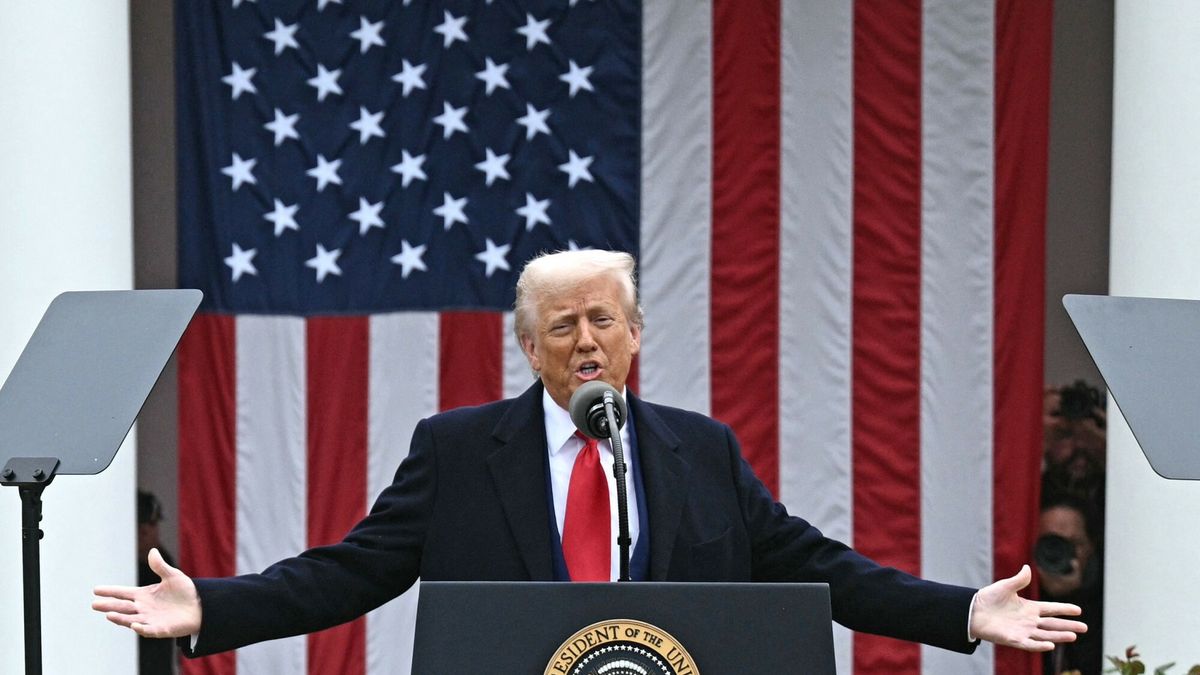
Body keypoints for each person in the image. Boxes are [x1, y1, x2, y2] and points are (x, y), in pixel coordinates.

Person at [93, 250, 1085, 659]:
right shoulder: (458, 450)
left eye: (602, 320)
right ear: (530, 346)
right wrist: (213, 604)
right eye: (561, 325)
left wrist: (959, 610)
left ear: (637, 334)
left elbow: (815, 568)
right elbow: (352, 571)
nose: (584, 341)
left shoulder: (698, 452)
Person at [1035, 493, 1103, 675]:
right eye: (1052, 542)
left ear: (1091, 546)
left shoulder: (1108, 600)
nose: (1062, 551)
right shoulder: (1019, 596)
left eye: (1074, 543)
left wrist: (1075, 599)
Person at [136, 490, 178, 675]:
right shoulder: (117, 563)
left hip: (154, 658)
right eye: (141, 524)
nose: (145, 532)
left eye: (152, 524)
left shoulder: (164, 566)